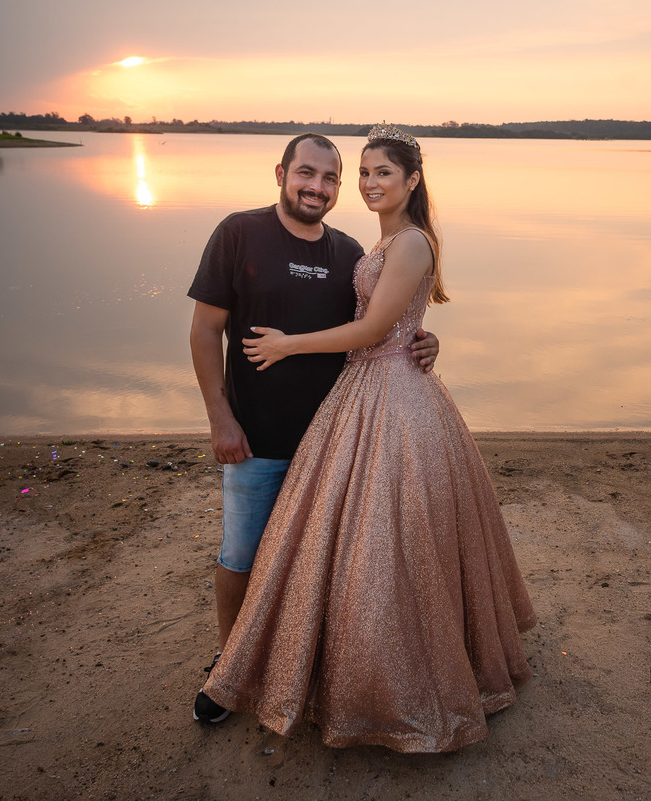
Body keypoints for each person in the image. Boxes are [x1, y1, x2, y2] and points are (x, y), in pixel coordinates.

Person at [200, 125, 536, 753]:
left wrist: (288, 344)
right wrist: (420, 337)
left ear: (412, 180)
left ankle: (387, 683)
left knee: (381, 547)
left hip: (386, 404)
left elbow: (377, 326)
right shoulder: (346, 243)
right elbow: (380, 320)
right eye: (363, 173)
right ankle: (249, 667)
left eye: (382, 172)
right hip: (332, 405)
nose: (365, 184)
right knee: (289, 547)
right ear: (283, 173)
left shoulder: (400, 243)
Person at [187, 133, 440, 723]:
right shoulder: (238, 233)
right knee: (243, 554)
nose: (318, 188)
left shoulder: (349, 250)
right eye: (307, 174)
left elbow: (378, 321)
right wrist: (221, 419)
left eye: (330, 178)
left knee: (320, 559)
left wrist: (421, 342)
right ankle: (230, 662)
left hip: (336, 441)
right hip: (256, 436)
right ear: (281, 172)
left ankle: (297, 660)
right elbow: (205, 332)